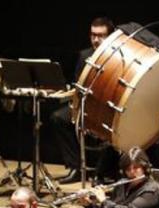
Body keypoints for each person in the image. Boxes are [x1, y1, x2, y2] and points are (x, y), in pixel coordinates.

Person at [46, 16, 115, 184]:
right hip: (86, 106)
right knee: (58, 118)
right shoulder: (84, 55)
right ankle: (75, 167)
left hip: (109, 108)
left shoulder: (118, 56)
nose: (96, 40)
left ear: (111, 36)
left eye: (101, 35)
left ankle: (104, 171)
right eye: (93, 35)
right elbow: (78, 85)